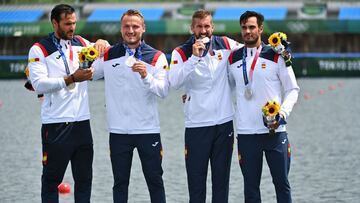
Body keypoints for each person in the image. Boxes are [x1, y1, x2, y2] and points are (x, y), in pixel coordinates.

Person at [27, 4, 108, 203]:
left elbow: (101, 69)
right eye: (67, 24)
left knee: (84, 180)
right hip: (56, 124)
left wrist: (102, 43)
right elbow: (38, 84)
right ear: (55, 23)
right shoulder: (39, 49)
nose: (72, 28)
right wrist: (71, 78)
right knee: (51, 181)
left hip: (82, 124)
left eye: (74, 23)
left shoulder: (81, 42)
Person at [91, 9, 168, 203]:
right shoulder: (108, 55)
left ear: (143, 28)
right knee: (120, 183)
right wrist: (96, 44)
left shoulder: (157, 56)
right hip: (118, 132)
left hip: (147, 130)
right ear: (121, 29)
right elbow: (88, 73)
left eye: (135, 26)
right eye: (127, 26)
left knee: (155, 181)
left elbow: (163, 91)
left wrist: (146, 76)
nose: (131, 30)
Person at [168, 9, 242, 203]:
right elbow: (174, 82)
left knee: (221, 184)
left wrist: (277, 49)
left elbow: (250, 50)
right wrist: (194, 58)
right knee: (196, 185)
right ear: (192, 28)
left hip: (224, 124)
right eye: (199, 26)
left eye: (207, 26)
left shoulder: (225, 43)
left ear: (212, 27)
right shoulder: (181, 52)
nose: (203, 30)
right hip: (197, 126)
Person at [228, 11, 300, 203]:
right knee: (250, 190)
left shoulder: (277, 55)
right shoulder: (233, 58)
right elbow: (222, 87)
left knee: (282, 185)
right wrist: (192, 95)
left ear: (260, 29)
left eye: (252, 27)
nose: (248, 31)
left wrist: (282, 114)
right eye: (244, 27)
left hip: (275, 132)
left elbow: (293, 89)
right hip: (246, 134)